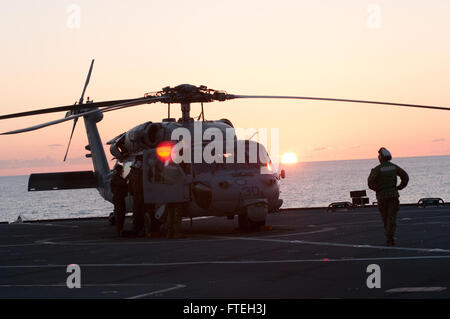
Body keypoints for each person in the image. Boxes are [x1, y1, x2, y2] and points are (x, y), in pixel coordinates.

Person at [368, 147, 409, 246]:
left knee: (385, 217)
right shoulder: (394, 167)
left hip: (382, 196)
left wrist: (377, 189)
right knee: (391, 217)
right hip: (393, 195)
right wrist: (400, 187)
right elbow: (405, 177)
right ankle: (390, 237)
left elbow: (370, 183)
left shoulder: (377, 169)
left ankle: (388, 237)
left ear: (381, 157)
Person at [127, 158, 145, 236]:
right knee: (139, 212)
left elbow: (130, 185)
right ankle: (138, 229)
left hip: (137, 195)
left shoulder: (132, 172)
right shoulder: (138, 172)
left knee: (138, 212)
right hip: (139, 195)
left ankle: (137, 229)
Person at [110, 164, 128, 237]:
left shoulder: (118, 178)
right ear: (118, 170)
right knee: (119, 215)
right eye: (121, 170)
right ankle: (119, 231)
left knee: (122, 213)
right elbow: (121, 183)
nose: (122, 171)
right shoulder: (115, 178)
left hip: (121, 197)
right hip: (118, 198)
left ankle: (120, 230)